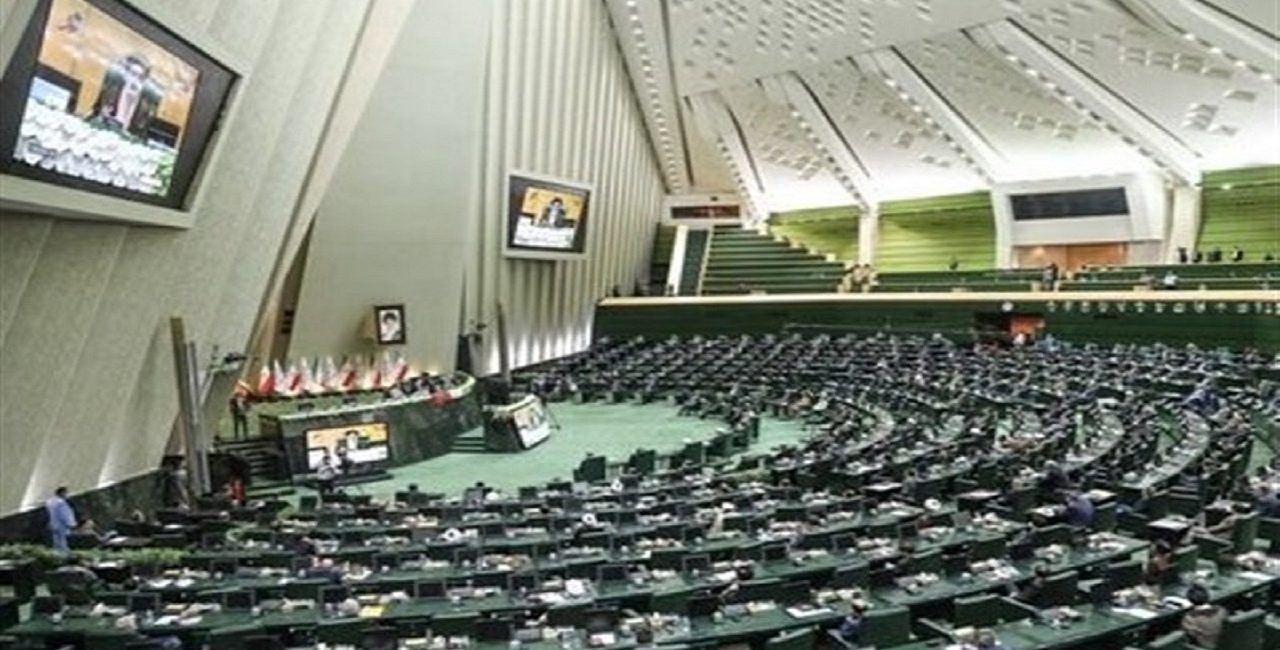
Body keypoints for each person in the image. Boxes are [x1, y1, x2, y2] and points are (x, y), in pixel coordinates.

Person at [1181, 583, 1226, 648]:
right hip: (1225, 644)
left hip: (1205, 647)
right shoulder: (1221, 611)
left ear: (1190, 601)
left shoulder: (1189, 618)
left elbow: (1190, 635)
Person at [46, 487, 77, 553]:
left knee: (56, 540)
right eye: (66, 493)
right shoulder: (61, 503)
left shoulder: (50, 502)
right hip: (61, 524)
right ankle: (63, 554)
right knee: (62, 540)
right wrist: (71, 523)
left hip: (53, 523)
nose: (67, 495)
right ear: (62, 493)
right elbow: (64, 514)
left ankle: (57, 553)